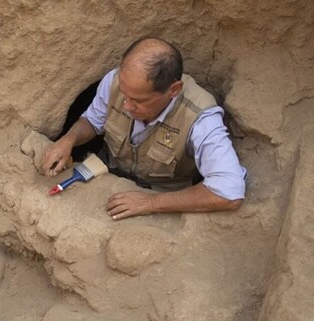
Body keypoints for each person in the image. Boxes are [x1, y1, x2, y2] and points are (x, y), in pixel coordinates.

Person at [41, 36, 246, 221]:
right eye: (124, 93)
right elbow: (93, 122)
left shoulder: (200, 117)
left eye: (138, 101)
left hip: (160, 193)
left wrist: (150, 203)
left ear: (173, 90)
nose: (126, 106)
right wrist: (68, 140)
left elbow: (229, 191)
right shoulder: (114, 81)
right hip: (105, 170)